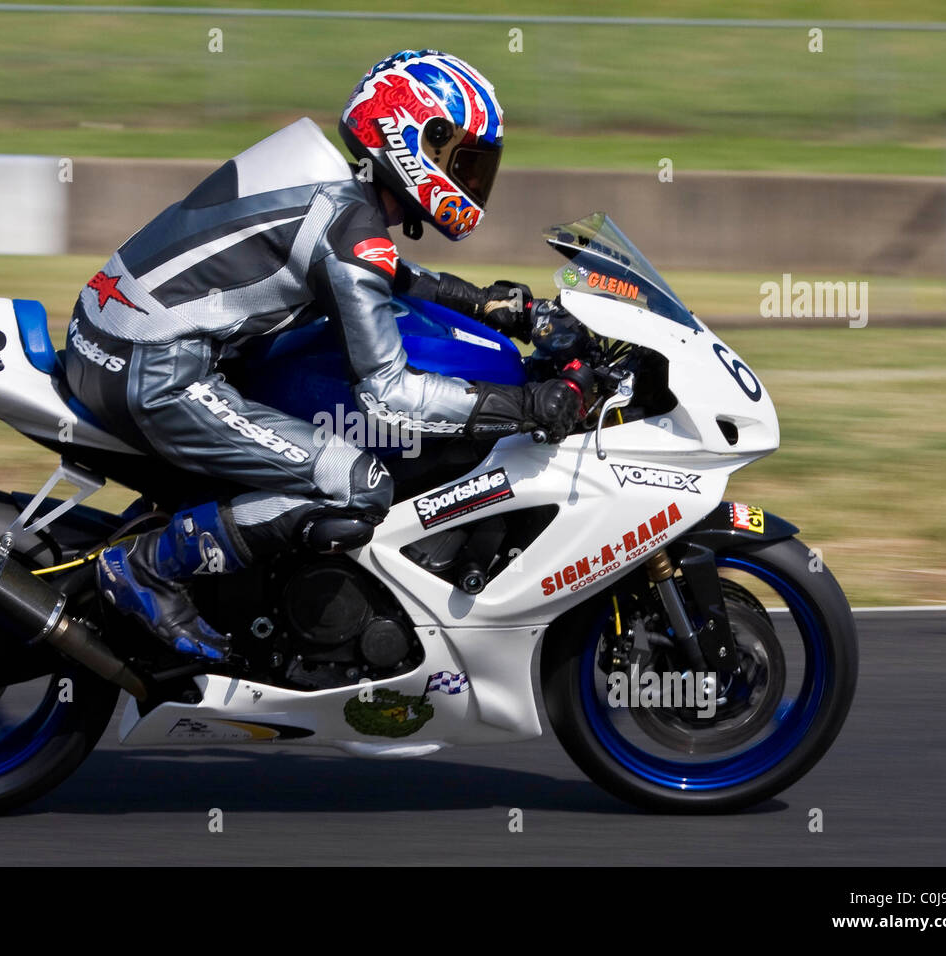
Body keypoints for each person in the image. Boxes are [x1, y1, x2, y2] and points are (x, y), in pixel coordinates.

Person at [63, 49, 582, 662]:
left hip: (113, 338)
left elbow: (380, 274)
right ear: (414, 138)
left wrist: (497, 306)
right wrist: (525, 405)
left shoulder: (330, 186)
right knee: (359, 483)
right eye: (461, 162)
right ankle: (149, 569)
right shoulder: (349, 223)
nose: (471, 182)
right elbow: (389, 394)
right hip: (153, 371)